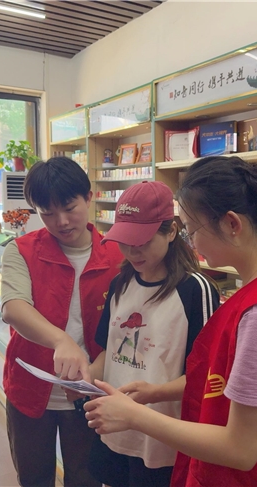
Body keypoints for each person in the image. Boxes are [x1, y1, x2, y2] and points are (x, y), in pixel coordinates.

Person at [84, 157, 257, 486]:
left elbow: (240, 448)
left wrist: (134, 416)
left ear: (231, 224)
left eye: (192, 230)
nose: (191, 243)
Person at [1, 156, 124, 487]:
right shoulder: (21, 250)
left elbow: (123, 327)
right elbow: (13, 307)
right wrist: (61, 340)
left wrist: (95, 369)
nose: (62, 221)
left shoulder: (117, 255)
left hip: (91, 391)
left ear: (89, 197)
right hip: (29, 389)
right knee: (33, 477)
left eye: (70, 208)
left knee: (86, 478)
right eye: (48, 213)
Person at [87, 181, 219, 487]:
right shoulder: (120, 283)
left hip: (164, 441)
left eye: (142, 241)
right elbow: (109, 352)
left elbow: (208, 376)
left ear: (171, 231)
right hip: (115, 430)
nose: (132, 251)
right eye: (125, 241)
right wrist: (85, 378)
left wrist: (154, 393)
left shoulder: (195, 290)